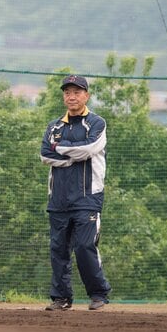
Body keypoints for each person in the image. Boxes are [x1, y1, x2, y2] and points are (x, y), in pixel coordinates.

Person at [40, 75, 111, 311]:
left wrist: (60, 150)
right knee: (58, 250)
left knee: (84, 246)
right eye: (68, 92)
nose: (72, 96)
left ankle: (98, 294)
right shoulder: (54, 126)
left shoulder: (97, 123)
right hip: (58, 199)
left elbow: (89, 149)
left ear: (86, 95)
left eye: (77, 92)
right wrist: (72, 155)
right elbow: (44, 156)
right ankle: (61, 298)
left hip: (87, 198)